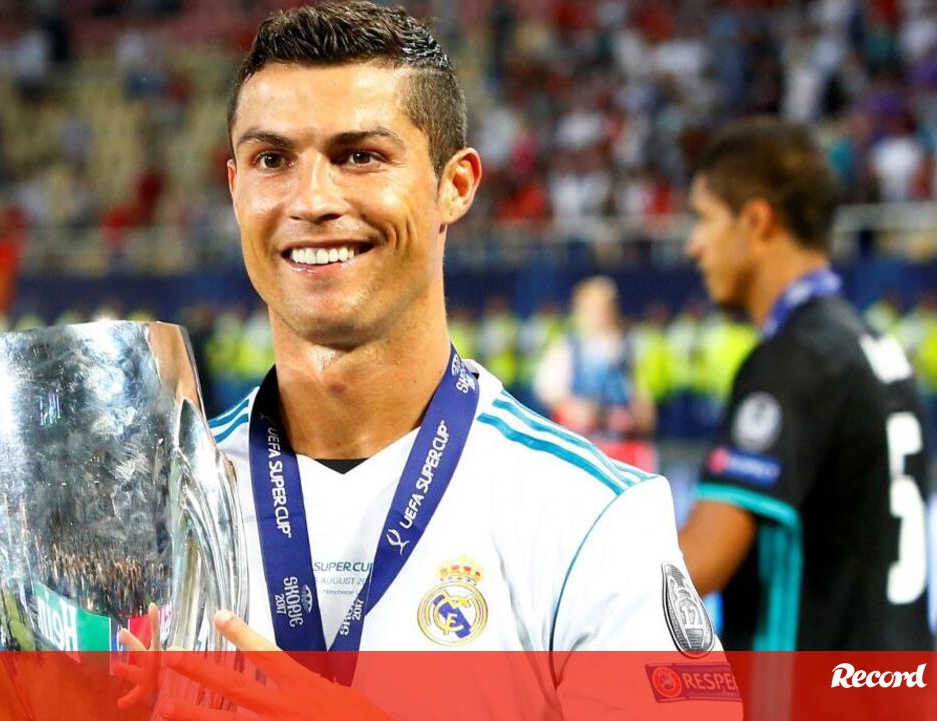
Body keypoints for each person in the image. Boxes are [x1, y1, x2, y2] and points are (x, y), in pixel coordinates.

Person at [118, 4, 733, 720]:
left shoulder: (590, 519)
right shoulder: (157, 512)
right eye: (272, 160)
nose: (311, 200)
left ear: (456, 185)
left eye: (360, 155)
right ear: (235, 189)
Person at [679, 118, 933, 651]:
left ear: (756, 220)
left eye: (703, 219)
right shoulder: (875, 348)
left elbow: (692, 568)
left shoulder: (792, 361)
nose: (693, 246)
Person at [536, 276, 657, 470]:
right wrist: (588, 413)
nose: (601, 314)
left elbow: (645, 411)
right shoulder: (566, 348)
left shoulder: (629, 349)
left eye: (607, 306)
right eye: (594, 307)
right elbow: (552, 397)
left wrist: (630, 418)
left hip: (621, 454)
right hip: (580, 455)